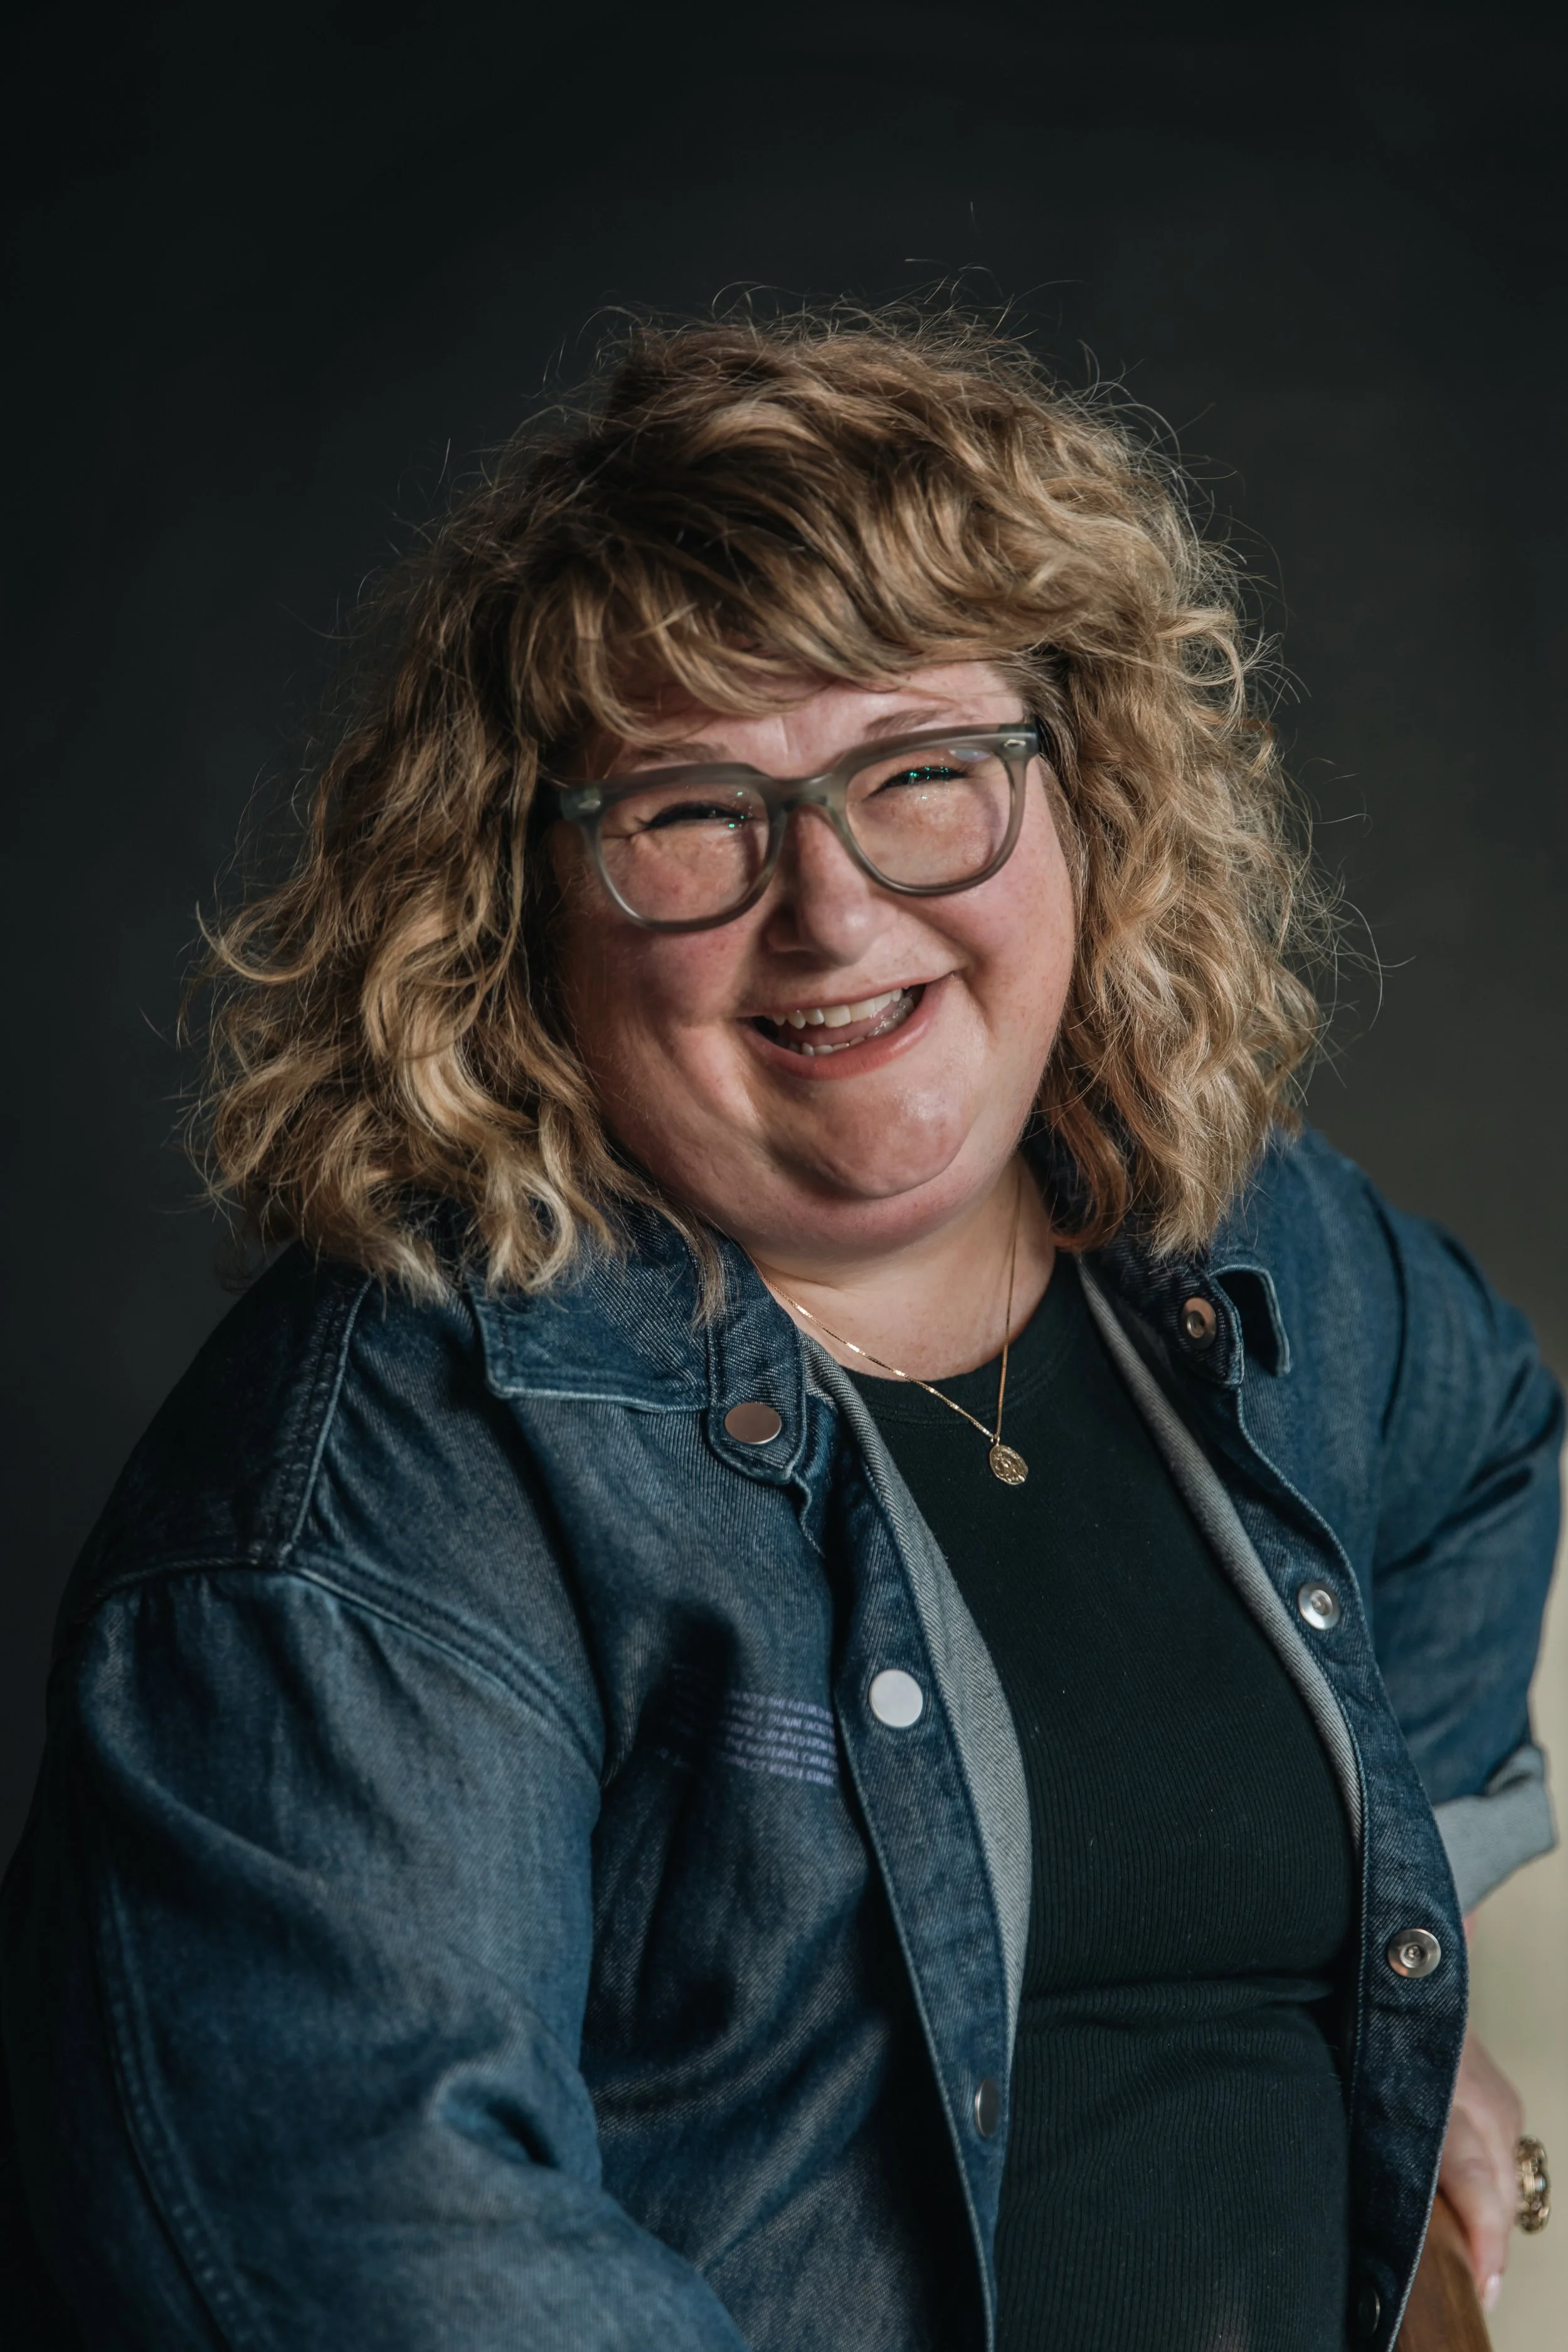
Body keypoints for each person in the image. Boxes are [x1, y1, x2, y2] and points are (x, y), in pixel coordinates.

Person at [1, 312, 1557, 2351]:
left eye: (921, 774)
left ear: (1083, 796)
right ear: (513, 905)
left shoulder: (1243, 1237)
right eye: (693, 812)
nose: (831, 908)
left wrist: (1393, 1992)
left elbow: (1485, 1451)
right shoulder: (387, 1463)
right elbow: (372, 2236)